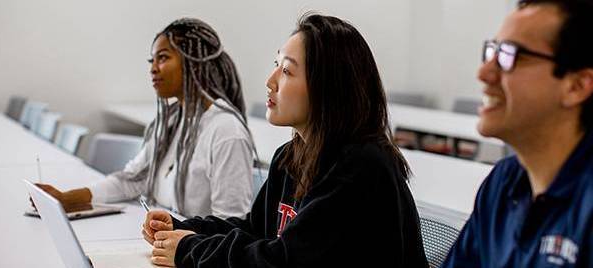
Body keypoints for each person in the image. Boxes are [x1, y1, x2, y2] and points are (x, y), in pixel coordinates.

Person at [141, 13, 428, 267]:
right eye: (276, 65)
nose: (271, 80)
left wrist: (188, 248)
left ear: (327, 87)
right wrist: (183, 228)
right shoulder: (290, 156)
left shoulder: (360, 167)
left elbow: (282, 260)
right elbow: (255, 229)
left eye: (287, 70)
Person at [34, 18, 256, 219]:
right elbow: (131, 180)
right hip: (167, 242)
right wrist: (65, 199)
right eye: (152, 60)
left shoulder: (227, 132)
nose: (153, 69)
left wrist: (176, 240)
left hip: (193, 252)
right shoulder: (172, 121)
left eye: (163, 58)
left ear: (194, 62)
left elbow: (230, 224)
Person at [442, 0, 593, 267]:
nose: (483, 72)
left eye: (510, 55)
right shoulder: (502, 182)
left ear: (576, 86)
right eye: (492, 52)